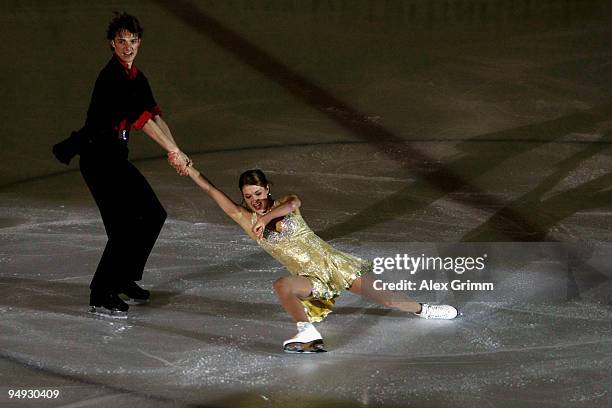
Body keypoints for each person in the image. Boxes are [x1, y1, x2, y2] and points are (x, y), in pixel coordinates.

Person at [182, 166, 458, 353]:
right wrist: (189, 167)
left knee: (388, 299)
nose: (253, 200)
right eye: (247, 196)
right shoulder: (245, 219)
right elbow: (211, 190)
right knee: (282, 285)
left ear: (267, 188)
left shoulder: (286, 202)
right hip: (308, 278)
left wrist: (266, 218)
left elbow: (292, 205)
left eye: (257, 193)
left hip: (333, 264)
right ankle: (306, 331)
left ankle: (423, 309)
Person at [53, 12, 192, 318]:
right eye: (121, 41)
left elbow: (155, 116)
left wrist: (177, 150)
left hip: (116, 159)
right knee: (123, 229)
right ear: (111, 44)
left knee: (154, 214)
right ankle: (100, 293)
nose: (127, 47)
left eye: (133, 41)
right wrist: (172, 151)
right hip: (98, 161)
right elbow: (142, 122)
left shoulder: (136, 77)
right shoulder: (112, 78)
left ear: (139, 43)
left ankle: (125, 278)